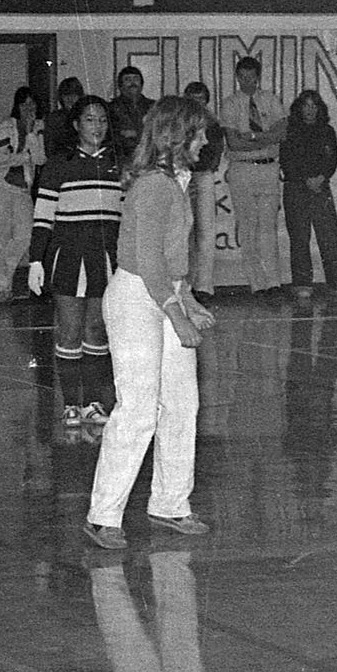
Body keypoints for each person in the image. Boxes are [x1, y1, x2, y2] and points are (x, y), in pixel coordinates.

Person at [85, 98, 216, 549]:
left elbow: (173, 258)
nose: (204, 141)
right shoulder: (154, 187)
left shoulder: (178, 182)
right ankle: (103, 516)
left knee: (181, 404)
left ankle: (171, 503)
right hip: (136, 297)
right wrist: (178, 316)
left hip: (164, 292)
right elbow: (148, 260)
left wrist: (188, 299)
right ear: (177, 136)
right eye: (198, 132)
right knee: (138, 409)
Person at [27, 95, 124, 428]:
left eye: (102, 120)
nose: (97, 126)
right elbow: (43, 217)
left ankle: (93, 403)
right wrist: (36, 261)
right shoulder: (58, 165)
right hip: (67, 258)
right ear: (75, 124)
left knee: (97, 330)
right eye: (89, 120)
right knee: (69, 331)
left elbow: (128, 219)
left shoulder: (120, 165)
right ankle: (71, 404)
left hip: (105, 260)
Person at [218, 55, 289, 295]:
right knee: (248, 227)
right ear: (237, 77)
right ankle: (258, 284)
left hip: (268, 168)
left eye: (251, 77)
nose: (247, 81)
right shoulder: (230, 103)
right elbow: (234, 143)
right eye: (242, 77)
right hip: (242, 169)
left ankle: (274, 282)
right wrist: (265, 139)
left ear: (258, 77)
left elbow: (281, 134)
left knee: (268, 227)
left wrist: (252, 137)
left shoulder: (270, 99)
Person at [279, 89, 337, 300]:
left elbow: (331, 160)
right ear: (299, 108)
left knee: (329, 236)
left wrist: (320, 178)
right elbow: (287, 160)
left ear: (320, 108)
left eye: (314, 105)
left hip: (321, 187)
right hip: (296, 187)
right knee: (299, 237)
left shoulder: (327, 131)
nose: (310, 110)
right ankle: (302, 283)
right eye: (306, 105)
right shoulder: (290, 130)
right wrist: (305, 179)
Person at [0, 85, 44, 300]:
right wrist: (22, 157)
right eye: (24, 104)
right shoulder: (6, 127)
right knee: (3, 236)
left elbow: (40, 158)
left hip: (22, 189)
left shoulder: (38, 128)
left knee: (25, 235)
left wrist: (31, 135)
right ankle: (3, 285)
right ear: (17, 106)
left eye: (32, 104)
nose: (29, 108)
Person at [180, 79, 225, 299]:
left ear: (206, 100)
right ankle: (185, 286)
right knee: (184, 232)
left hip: (203, 175)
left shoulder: (213, 123)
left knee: (206, 231)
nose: (197, 103)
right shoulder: (179, 122)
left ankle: (204, 287)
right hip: (183, 176)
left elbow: (216, 151)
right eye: (192, 99)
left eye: (201, 99)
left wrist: (205, 168)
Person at [104, 65, 154, 157]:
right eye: (127, 79)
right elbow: (109, 136)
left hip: (149, 156)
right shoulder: (110, 108)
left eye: (136, 79)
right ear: (120, 85)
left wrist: (136, 133)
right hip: (120, 157)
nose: (132, 83)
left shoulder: (154, 107)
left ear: (142, 84)